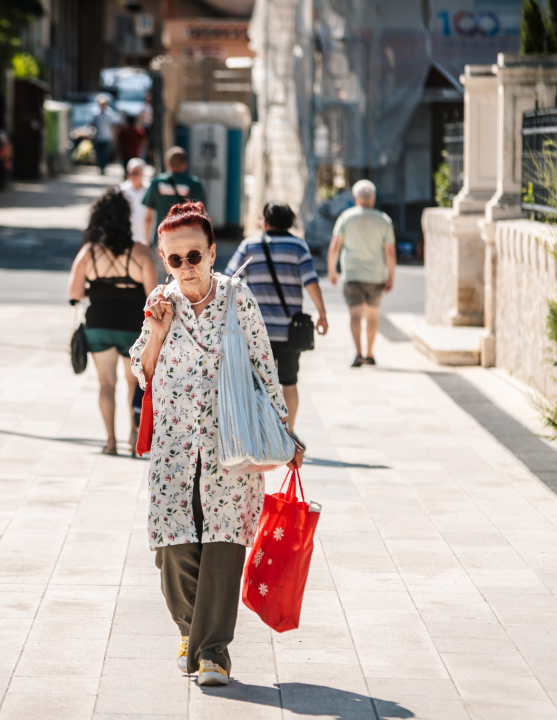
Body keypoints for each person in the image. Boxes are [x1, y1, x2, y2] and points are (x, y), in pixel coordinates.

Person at [130, 201, 304, 687]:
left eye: (194, 256)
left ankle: (212, 653)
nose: (185, 268)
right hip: (175, 449)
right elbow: (141, 375)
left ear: (211, 253)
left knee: (224, 545)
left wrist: (284, 431)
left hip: (230, 447)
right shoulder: (160, 302)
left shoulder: (237, 297)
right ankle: (190, 629)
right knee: (174, 549)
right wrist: (157, 334)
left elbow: (265, 367)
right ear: (164, 260)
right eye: (174, 259)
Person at [69, 188, 159, 455]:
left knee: (106, 384)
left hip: (98, 323)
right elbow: (153, 296)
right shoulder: (140, 252)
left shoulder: (89, 252)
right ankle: (133, 439)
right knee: (133, 384)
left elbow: (74, 291)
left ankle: (110, 442)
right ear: (127, 217)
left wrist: (98, 291)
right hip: (132, 327)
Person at [225, 201, 328, 431]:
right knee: (289, 382)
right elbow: (311, 282)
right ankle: (288, 433)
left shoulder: (250, 246)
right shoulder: (298, 247)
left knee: (258, 384)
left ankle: (261, 433)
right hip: (289, 330)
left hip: (255, 332)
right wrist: (322, 313)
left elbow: (229, 279)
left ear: (265, 221)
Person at [327, 179, 396, 367]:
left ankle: (357, 353)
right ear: (373, 198)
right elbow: (390, 251)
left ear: (356, 198)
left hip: (352, 275)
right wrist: (391, 276)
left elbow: (335, 246)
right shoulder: (384, 220)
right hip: (375, 276)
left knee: (355, 315)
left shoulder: (346, 217)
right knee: (372, 317)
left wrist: (332, 270)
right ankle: (370, 354)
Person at [143, 147, 207, 246]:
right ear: (185, 164)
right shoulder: (194, 184)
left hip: (162, 240)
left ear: (167, 163)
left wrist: (147, 242)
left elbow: (148, 217)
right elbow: (201, 215)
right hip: (187, 241)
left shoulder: (156, 183)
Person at [120, 158, 148, 244]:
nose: (132, 176)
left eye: (135, 173)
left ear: (142, 174)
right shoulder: (121, 190)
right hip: (126, 238)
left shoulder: (149, 189)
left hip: (144, 238)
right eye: (130, 173)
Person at [90, 95, 118, 175]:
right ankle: (100, 167)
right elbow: (92, 124)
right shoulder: (95, 113)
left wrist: (114, 137)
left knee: (105, 154)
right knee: (98, 154)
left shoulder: (110, 113)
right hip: (98, 137)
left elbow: (113, 126)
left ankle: (103, 167)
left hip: (107, 137)